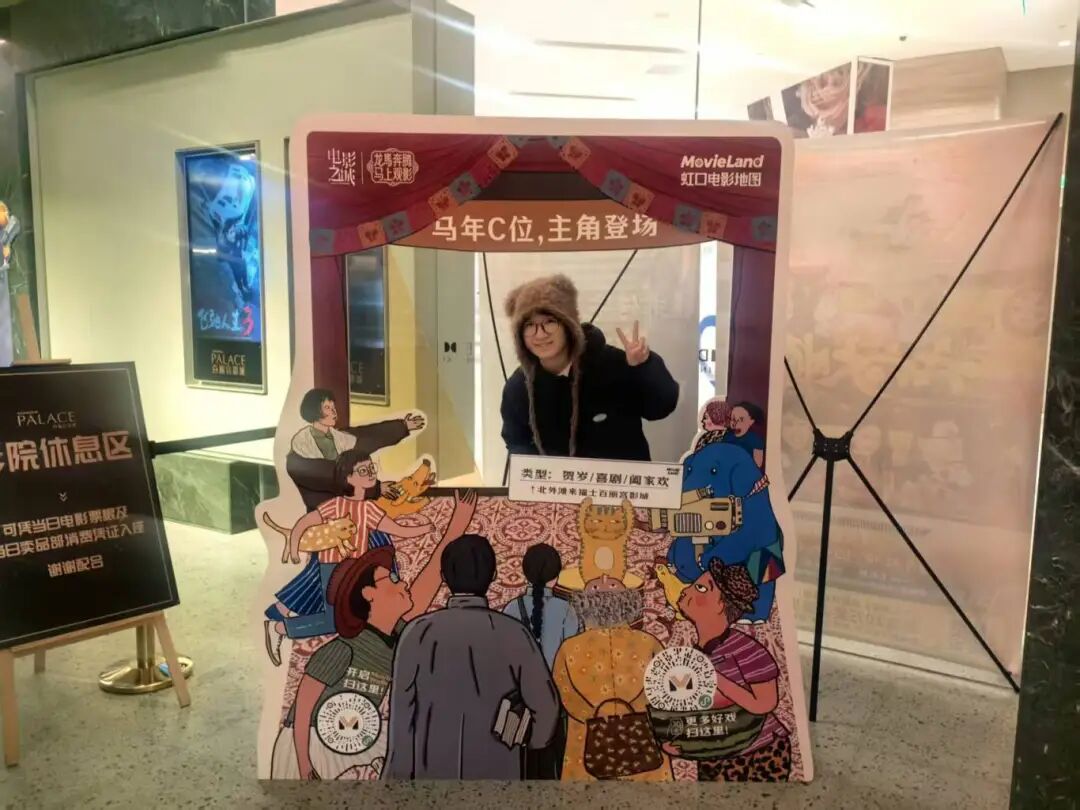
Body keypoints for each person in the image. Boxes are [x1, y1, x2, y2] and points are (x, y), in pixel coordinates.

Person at [271, 490, 478, 781]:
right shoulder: (343, 649)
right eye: (390, 579)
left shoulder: (399, 632)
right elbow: (303, 706)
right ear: (368, 594)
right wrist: (305, 767)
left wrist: (459, 521)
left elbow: (432, 574)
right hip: (311, 743)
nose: (402, 583)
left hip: (354, 737)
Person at [385, 534, 560, 780]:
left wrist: (395, 782)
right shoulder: (514, 633)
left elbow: (402, 719)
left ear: (444, 577)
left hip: (432, 777)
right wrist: (527, 742)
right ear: (494, 576)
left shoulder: (416, 633)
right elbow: (546, 707)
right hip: (500, 773)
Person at [263, 449, 433, 663]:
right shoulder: (335, 505)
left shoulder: (369, 509)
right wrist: (294, 547)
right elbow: (305, 523)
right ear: (349, 478)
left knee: (355, 616)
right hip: (332, 568)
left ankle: (281, 620)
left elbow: (396, 529)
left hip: (356, 570)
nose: (370, 473)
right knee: (334, 620)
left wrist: (424, 529)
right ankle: (279, 628)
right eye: (363, 470)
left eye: (371, 468)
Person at [500, 274, 679, 461]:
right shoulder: (518, 387)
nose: (540, 334)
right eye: (529, 325)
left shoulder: (611, 364)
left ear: (569, 325)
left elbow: (661, 407)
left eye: (550, 322)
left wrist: (645, 366)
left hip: (621, 478)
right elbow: (517, 442)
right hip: (557, 480)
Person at [670, 559, 792, 781]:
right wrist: (681, 743)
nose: (686, 590)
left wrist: (716, 679)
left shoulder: (747, 649)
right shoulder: (698, 652)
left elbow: (766, 703)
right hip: (716, 752)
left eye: (701, 588)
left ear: (720, 605)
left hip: (759, 752)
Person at [552, 578, 673, 782]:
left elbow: (564, 692)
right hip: (641, 739)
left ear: (583, 605)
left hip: (588, 741)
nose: (604, 577)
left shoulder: (569, 648)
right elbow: (664, 687)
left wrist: (595, 717)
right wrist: (636, 711)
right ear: (628, 604)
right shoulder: (648, 642)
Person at [503, 543, 579, 780]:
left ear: (525, 574)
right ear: (556, 578)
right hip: (556, 702)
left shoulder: (511, 608)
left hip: (521, 701)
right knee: (553, 765)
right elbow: (572, 659)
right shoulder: (566, 610)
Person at [287, 387, 425, 512]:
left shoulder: (341, 438)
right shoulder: (300, 452)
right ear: (314, 411)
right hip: (322, 514)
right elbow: (332, 477)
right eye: (327, 407)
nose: (334, 412)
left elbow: (370, 435)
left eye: (333, 407)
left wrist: (403, 426)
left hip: (351, 508)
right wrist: (376, 489)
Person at [722, 401, 765, 469]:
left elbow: (758, 464)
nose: (735, 423)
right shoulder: (727, 437)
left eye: (741, 420)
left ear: (751, 421)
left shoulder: (755, 440)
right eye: (733, 419)